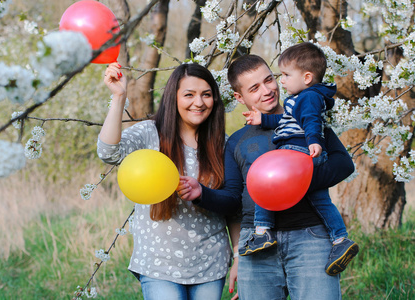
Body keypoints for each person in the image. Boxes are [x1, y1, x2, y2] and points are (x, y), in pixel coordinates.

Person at [178, 54, 355, 299]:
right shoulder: (237, 142)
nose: (267, 90)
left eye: (269, 80)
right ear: (240, 98)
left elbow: (344, 164)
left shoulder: (307, 122)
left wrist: (292, 183)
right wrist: (202, 194)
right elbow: (232, 200)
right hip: (256, 241)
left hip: (310, 236)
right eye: (254, 88)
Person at [97, 62, 240, 300]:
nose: (199, 102)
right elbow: (108, 152)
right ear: (173, 98)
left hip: (210, 263)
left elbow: (234, 208)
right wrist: (119, 96)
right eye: (189, 95)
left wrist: (238, 258)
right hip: (158, 262)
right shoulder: (149, 133)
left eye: (206, 95)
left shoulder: (224, 144)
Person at [240, 42, 359, 276]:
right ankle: (340, 240)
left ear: (306, 77)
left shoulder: (309, 97)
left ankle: (262, 232)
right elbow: (287, 122)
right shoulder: (301, 99)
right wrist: (262, 120)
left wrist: (314, 139)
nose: (281, 81)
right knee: (320, 200)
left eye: (285, 75)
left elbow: (311, 120)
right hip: (303, 153)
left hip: (298, 150)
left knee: (266, 183)